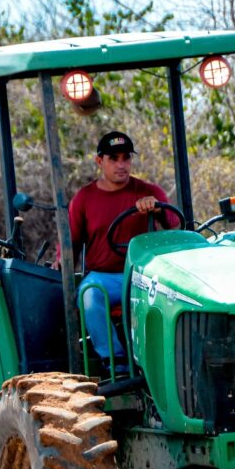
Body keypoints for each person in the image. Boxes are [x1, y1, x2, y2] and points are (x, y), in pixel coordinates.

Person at [68, 131, 178, 372]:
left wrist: (156, 209)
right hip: (106, 277)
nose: (121, 164)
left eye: (126, 158)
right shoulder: (84, 199)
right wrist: (60, 268)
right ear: (99, 161)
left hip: (144, 273)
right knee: (89, 293)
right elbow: (70, 243)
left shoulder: (149, 192)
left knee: (174, 295)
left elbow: (176, 225)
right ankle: (116, 362)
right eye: (113, 158)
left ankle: (168, 361)